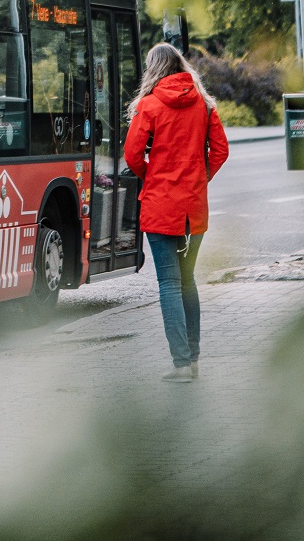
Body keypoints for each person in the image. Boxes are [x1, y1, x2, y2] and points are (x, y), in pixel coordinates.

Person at [124, 42, 229, 384]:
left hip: (160, 207)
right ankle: (193, 359)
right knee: (187, 281)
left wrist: (151, 175)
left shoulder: (149, 105)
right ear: (181, 65)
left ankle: (181, 364)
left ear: (153, 68)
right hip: (193, 209)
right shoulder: (205, 104)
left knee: (168, 283)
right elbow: (221, 151)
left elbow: (132, 155)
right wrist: (202, 176)